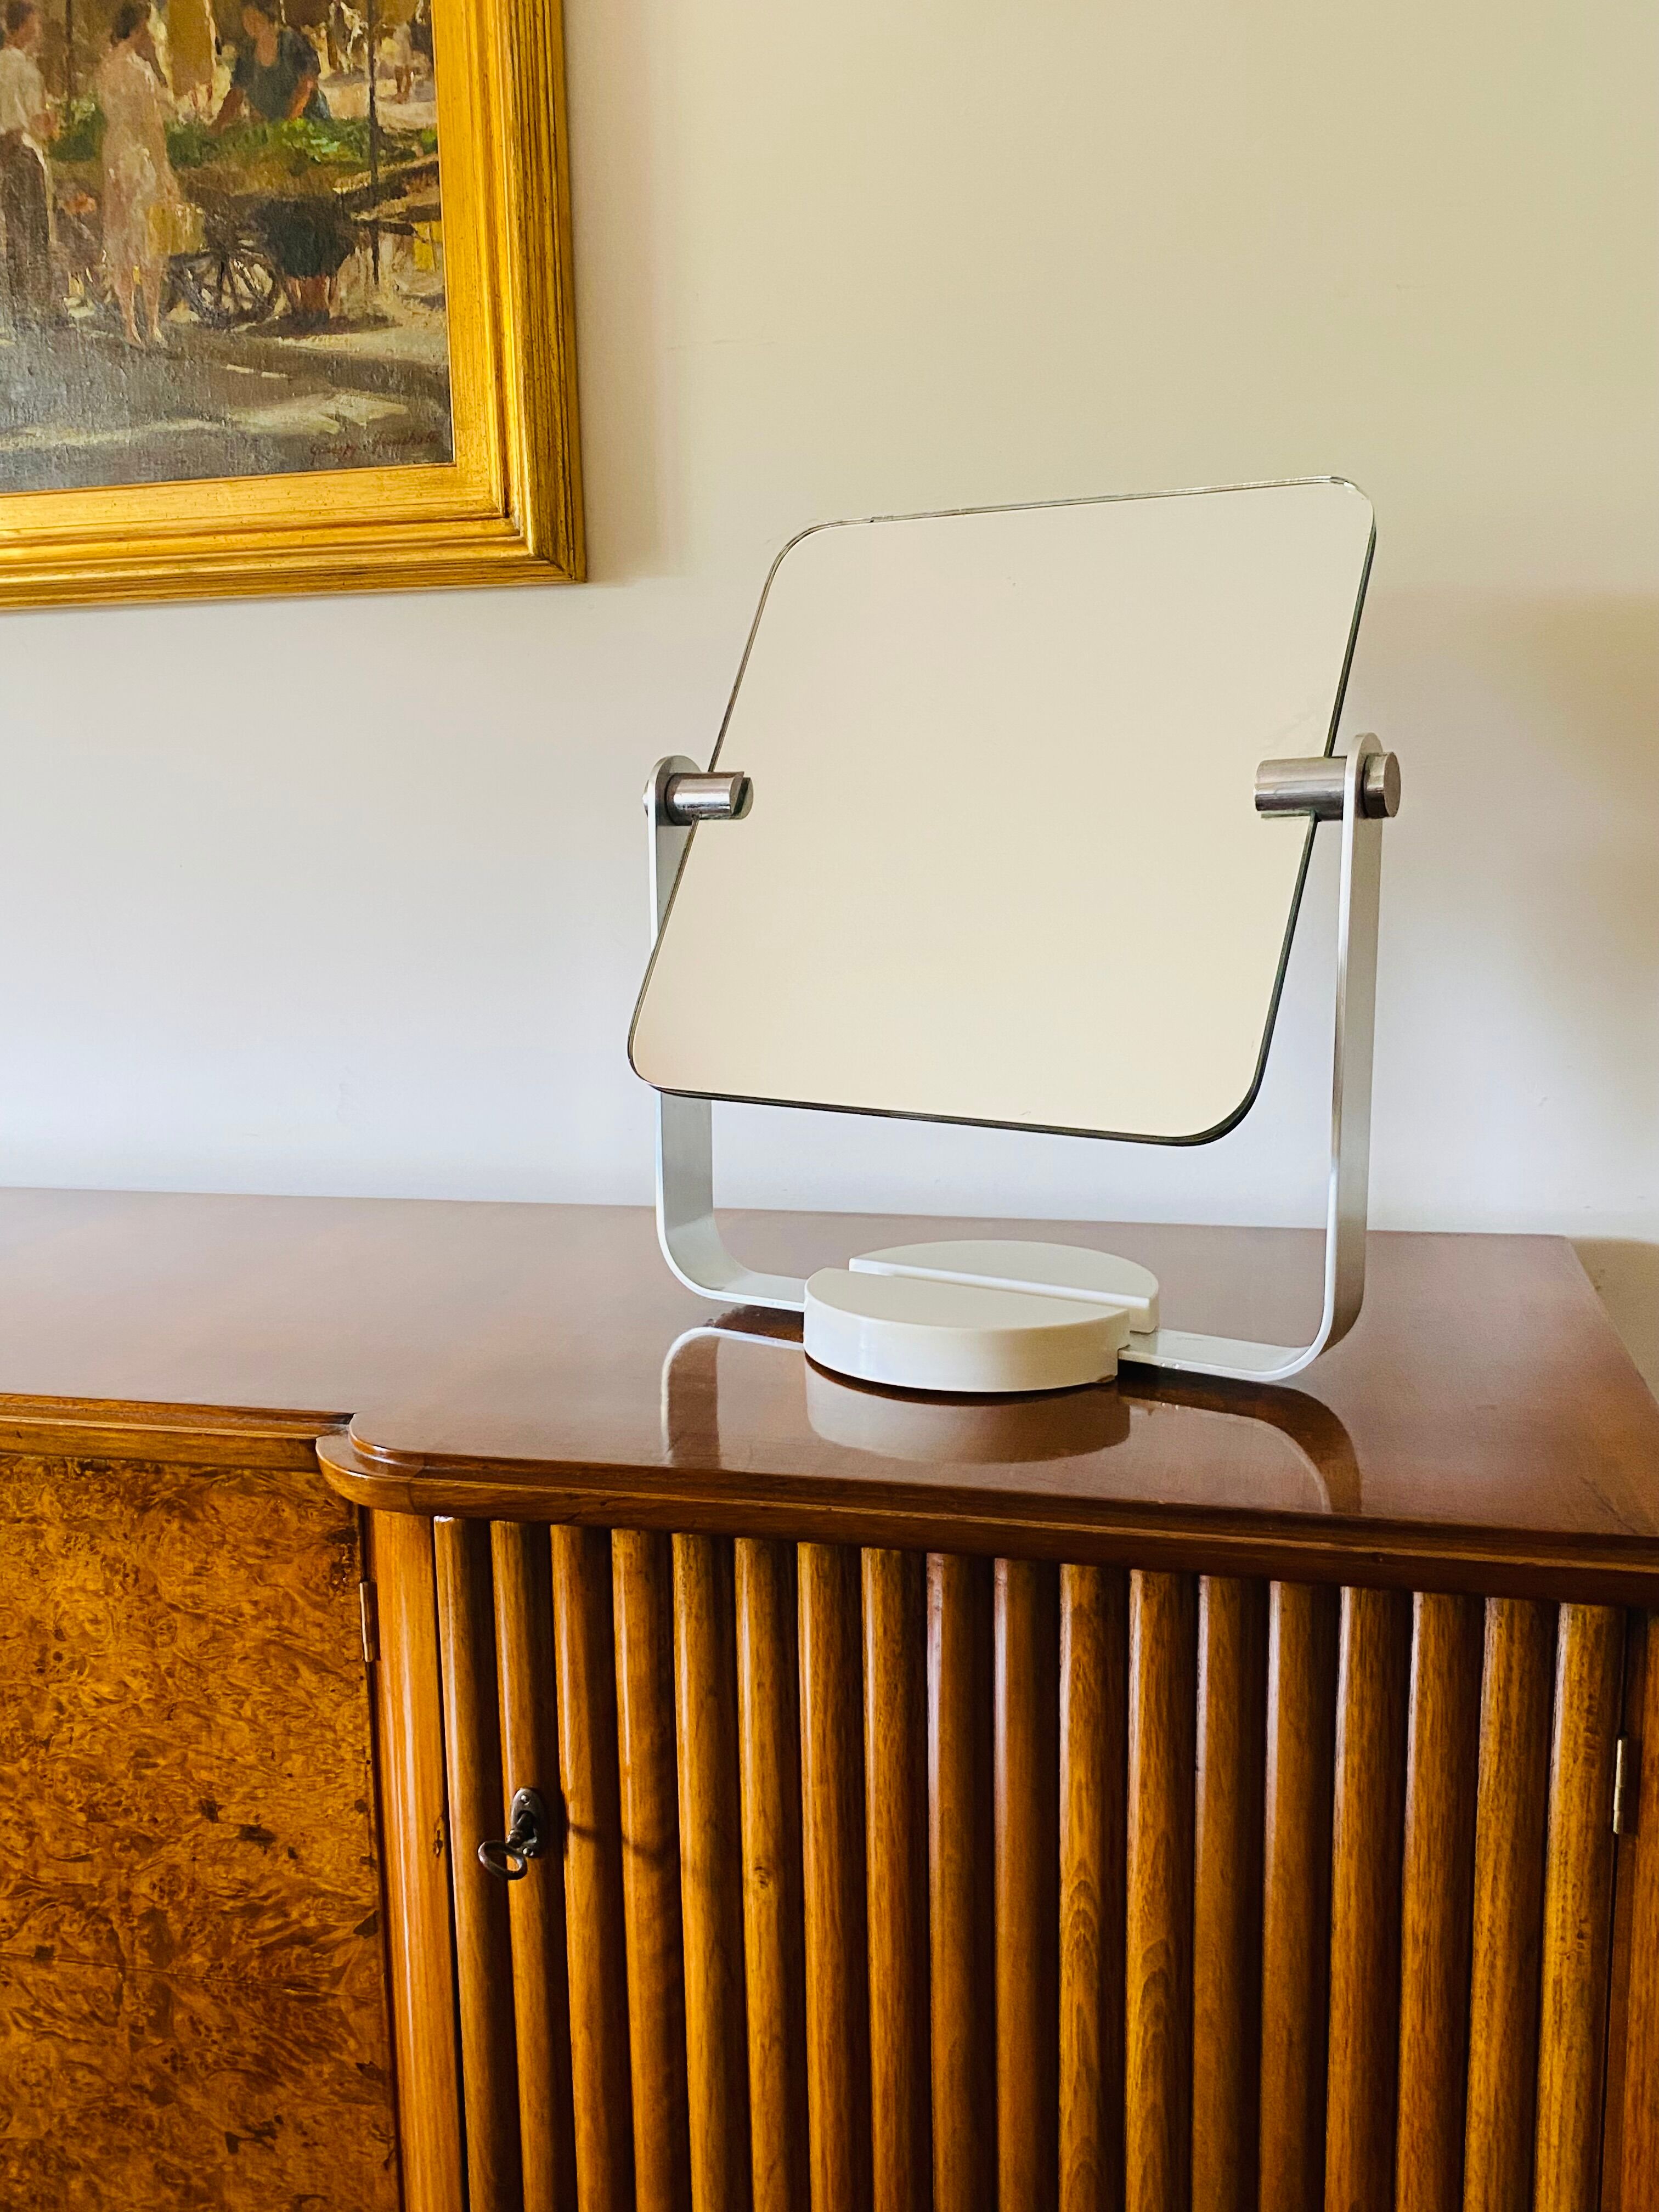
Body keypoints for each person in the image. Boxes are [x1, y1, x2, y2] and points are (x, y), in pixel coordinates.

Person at [97, 1, 185, 346]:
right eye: (146, 26)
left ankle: (129, 326)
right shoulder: (140, 71)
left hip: (114, 156)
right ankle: (153, 325)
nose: (149, 33)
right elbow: (152, 128)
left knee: (120, 241)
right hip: (138, 160)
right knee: (150, 244)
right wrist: (165, 171)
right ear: (136, 29)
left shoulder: (105, 68)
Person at [0, 0, 55, 330]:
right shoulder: (27, 70)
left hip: (3, 154)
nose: (38, 33)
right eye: (35, 27)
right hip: (23, 151)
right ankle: (41, 306)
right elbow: (40, 125)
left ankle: (19, 307)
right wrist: (52, 122)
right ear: (23, 28)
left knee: (14, 234)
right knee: (36, 233)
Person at [213, 1, 330, 131]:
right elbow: (236, 93)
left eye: (256, 18)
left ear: (269, 17)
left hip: (308, 123)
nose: (251, 25)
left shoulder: (292, 43)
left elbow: (306, 86)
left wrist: (287, 125)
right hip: (273, 128)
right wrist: (218, 125)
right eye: (246, 19)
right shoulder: (247, 54)